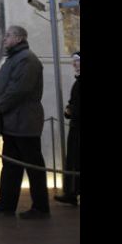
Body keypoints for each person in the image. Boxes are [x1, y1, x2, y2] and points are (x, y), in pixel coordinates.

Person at [0, 26, 50, 219]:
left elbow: (19, 90)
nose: (4, 39)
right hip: (13, 121)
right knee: (11, 165)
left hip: (25, 121)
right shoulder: (13, 59)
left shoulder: (27, 59)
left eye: (9, 36)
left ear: (19, 38)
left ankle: (41, 207)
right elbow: (1, 86)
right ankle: (6, 204)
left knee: (33, 166)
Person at [55, 51, 80, 206]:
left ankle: (72, 192)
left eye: (77, 60)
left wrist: (72, 110)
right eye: (74, 61)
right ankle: (72, 192)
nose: (74, 64)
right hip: (76, 126)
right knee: (74, 161)